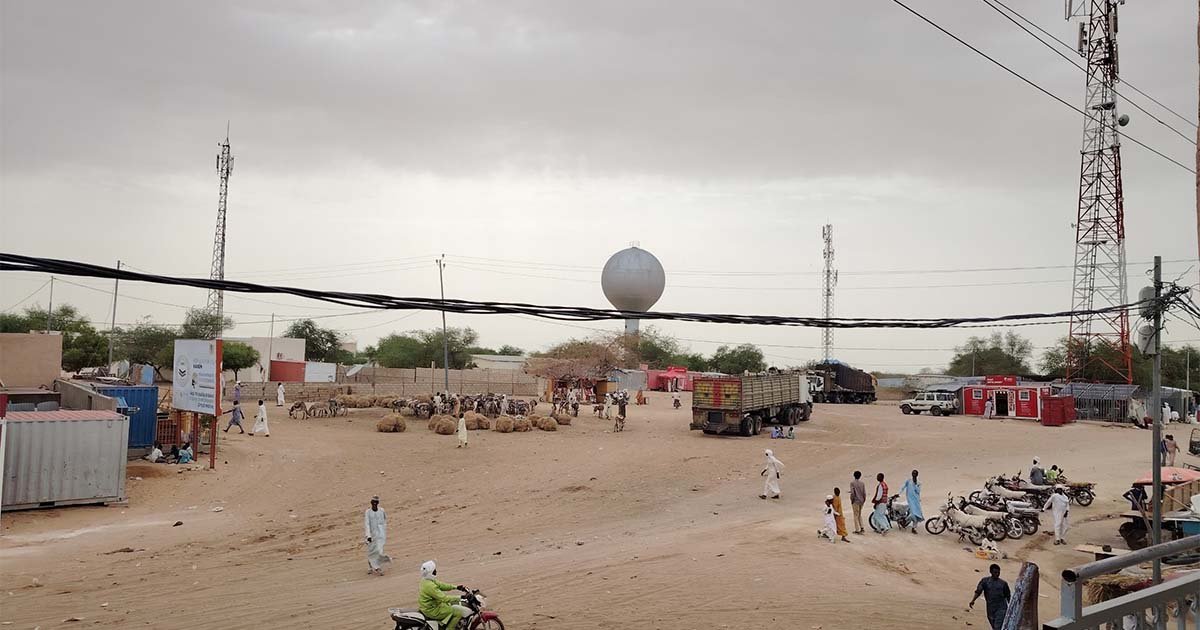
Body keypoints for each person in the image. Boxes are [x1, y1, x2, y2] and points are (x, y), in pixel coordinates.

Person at [419, 560, 471, 630]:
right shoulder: (430, 586)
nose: (436, 572)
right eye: (434, 571)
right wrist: (461, 597)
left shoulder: (426, 580)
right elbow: (444, 599)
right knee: (458, 612)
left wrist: (456, 587)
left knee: (451, 604)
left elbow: (441, 585)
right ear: (430, 573)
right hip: (432, 610)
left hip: (429, 606)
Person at [970, 563, 1011, 630]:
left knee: (998, 627)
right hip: (990, 608)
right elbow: (978, 591)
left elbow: (1008, 596)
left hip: (1001, 608)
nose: (997, 574)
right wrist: (973, 600)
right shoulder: (985, 581)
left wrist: (1010, 609)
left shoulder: (1003, 584)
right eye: (995, 572)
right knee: (994, 626)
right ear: (991, 572)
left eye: (998, 572)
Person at [364, 496, 390, 575]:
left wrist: (384, 529)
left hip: (381, 535)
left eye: (376, 503)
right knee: (371, 551)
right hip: (371, 535)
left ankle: (377, 568)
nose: (375, 504)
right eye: (373, 503)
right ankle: (370, 566)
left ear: (378, 503)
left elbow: (385, 520)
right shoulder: (368, 512)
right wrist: (368, 535)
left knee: (379, 551)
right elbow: (367, 524)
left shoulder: (382, 510)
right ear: (371, 503)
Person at [900, 469, 924, 534]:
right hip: (910, 500)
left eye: (915, 474)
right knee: (913, 514)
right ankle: (905, 521)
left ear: (917, 475)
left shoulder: (919, 483)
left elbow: (918, 491)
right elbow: (903, 487)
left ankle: (914, 527)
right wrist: (899, 493)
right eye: (913, 473)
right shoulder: (908, 481)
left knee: (917, 515)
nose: (914, 475)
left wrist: (915, 484)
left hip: (916, 500)